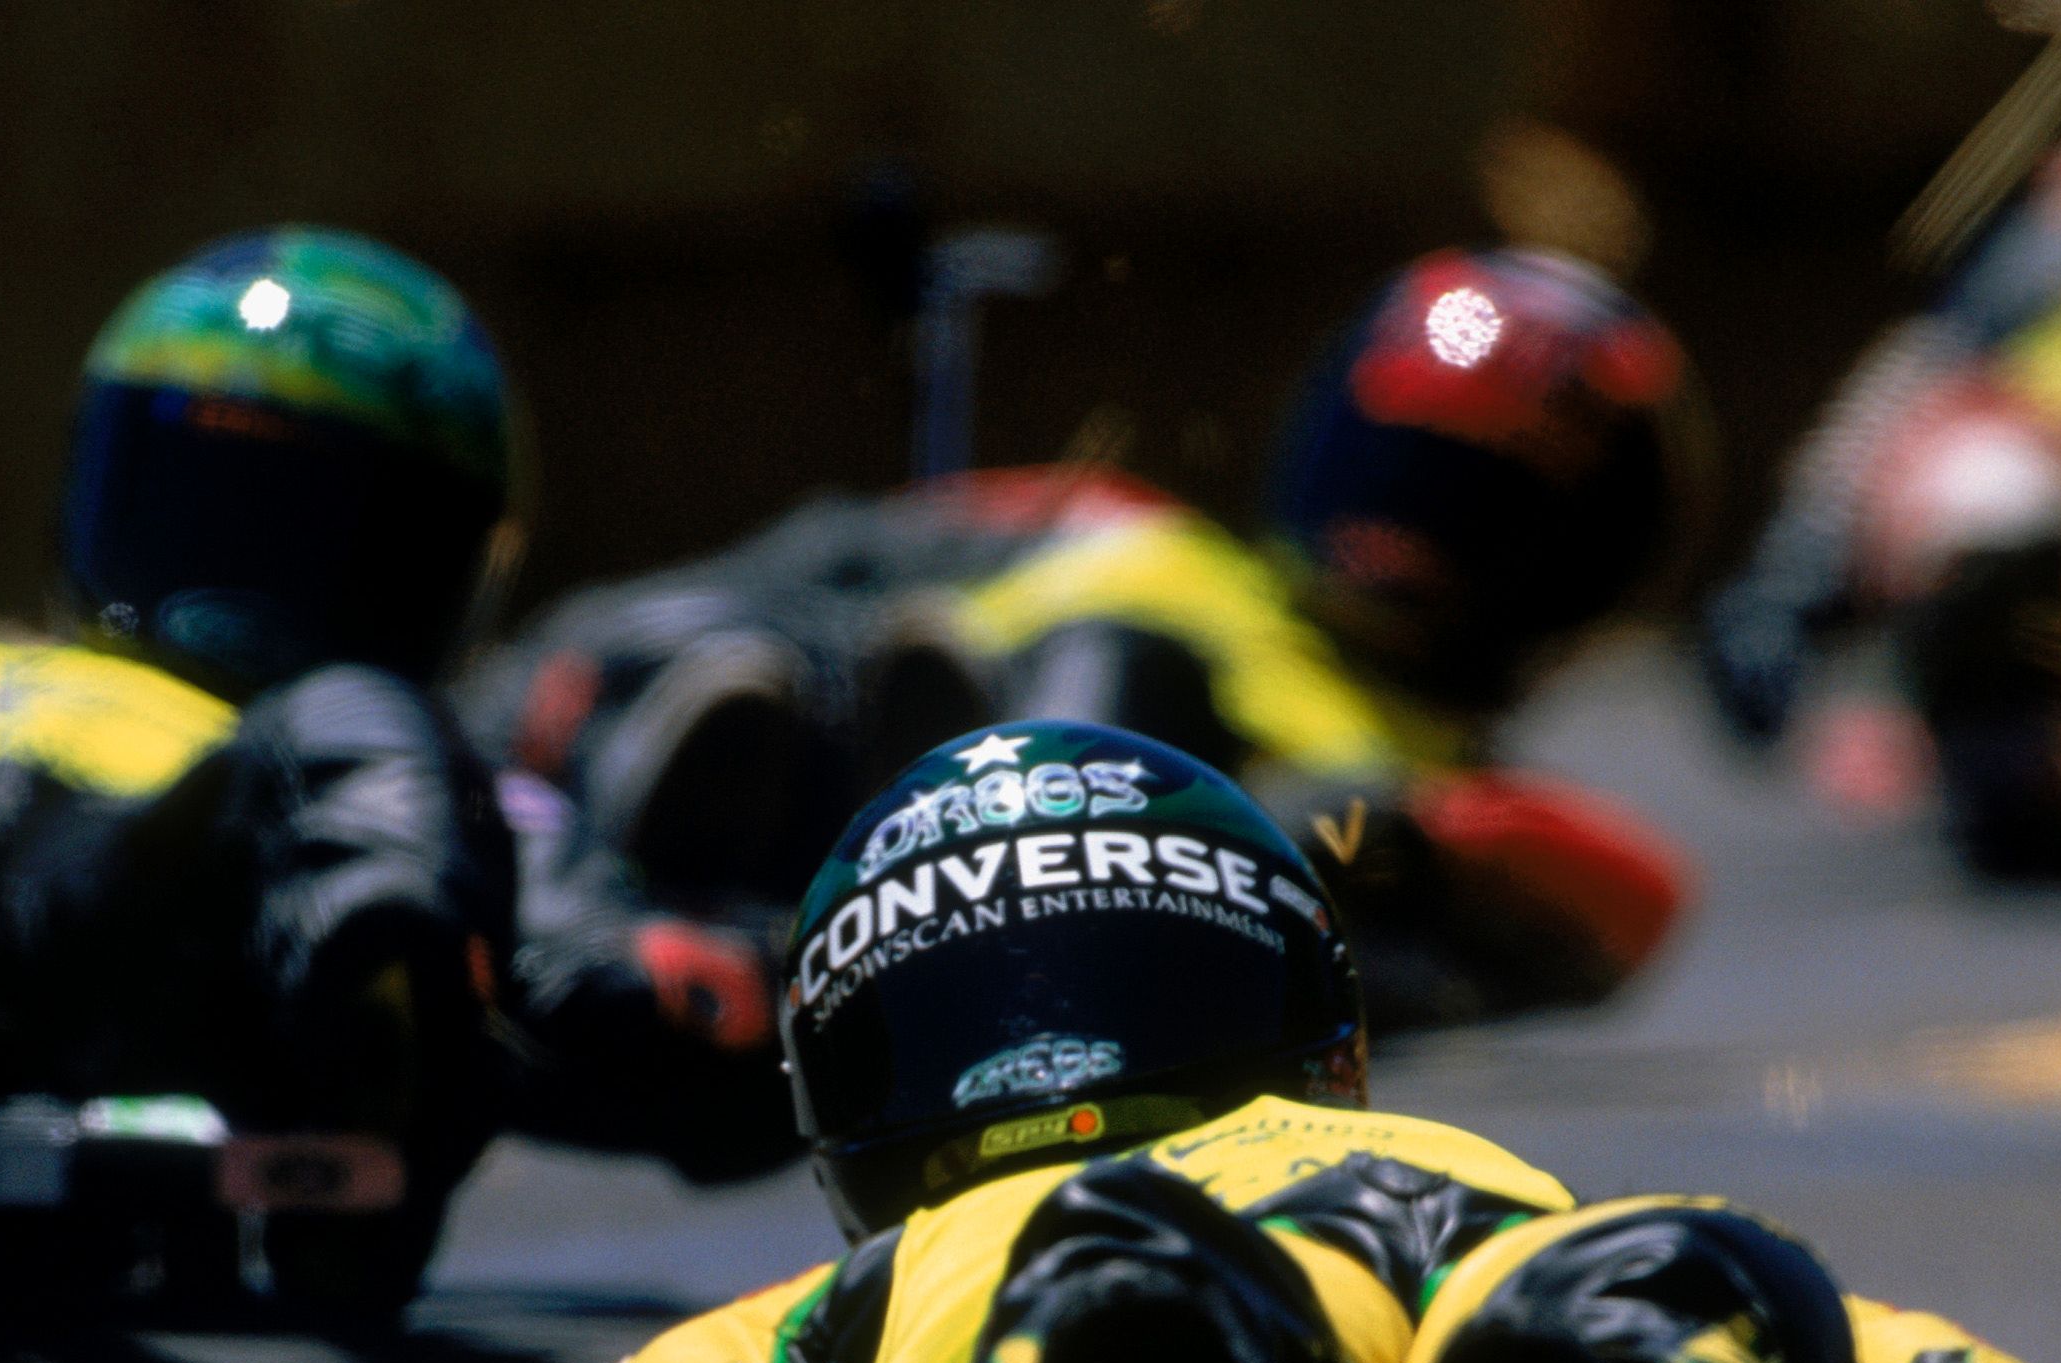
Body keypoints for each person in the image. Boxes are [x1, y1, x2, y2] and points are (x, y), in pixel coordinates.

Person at [474, 721, 2061, 1363]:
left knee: (1637, 1283)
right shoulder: (889, 1281)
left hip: (1326, 1290)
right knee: (1646, 1272)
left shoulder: (860, 1277)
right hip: (1330, 1277)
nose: (1066, 1058)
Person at [0, 227, 786, 1323]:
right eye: (198, 504)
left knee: (369, 728)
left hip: (174, 912)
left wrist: (630, 996)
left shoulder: (353, 753)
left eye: (314, 535)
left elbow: (686, 1009)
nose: (227, 584)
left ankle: (361, 1066)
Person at [459, 246, 1703, 1035]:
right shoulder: (1114, 524)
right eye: (1396, 472)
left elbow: (1636, 904)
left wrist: (1377, 828)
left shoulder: (1434, 765)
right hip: (817, 729)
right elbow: (810, 555)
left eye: (1469, 509)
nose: (1400, 541)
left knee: (1131, 684)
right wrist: (576, 674)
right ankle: (774, 802)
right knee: (767, 665)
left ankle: (991, 826)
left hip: (1150, 870)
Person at [1698, 116, 2061, 881]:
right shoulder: (1973, 333)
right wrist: (1835, 712)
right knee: (1984, 485)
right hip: (2018, 528)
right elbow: (1771, 606)